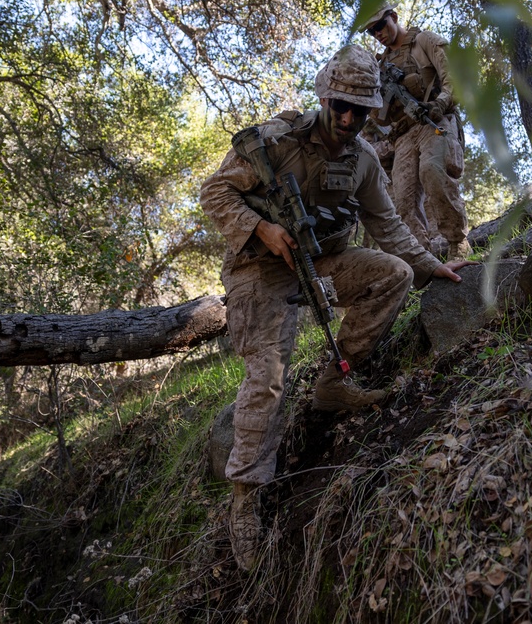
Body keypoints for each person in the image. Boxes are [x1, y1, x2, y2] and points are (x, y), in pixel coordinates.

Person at [199, 44, 471, 571]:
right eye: (341, 105)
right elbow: (214, 194)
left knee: (391, 274)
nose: (349, 118)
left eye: (360, 109)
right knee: (271, 374)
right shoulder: (274, 143)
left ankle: (332, 382)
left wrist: (426, 264)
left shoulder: (365, 159)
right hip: (259, 269)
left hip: (324, 259)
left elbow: (387, 224)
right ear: (324, 98)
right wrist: (263, 228)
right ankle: (245, 500)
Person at [362, 2, 471, 260]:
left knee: (432, 170)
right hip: (403, 136)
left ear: (394, 17)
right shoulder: (380, 68)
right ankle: (425, 258)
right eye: (372, 31)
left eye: (380, 25)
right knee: (402, 201)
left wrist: (439, 104)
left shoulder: (423, 41)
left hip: (434, 121)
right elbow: (377, 114)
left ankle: (458, 242)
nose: (378, 33)